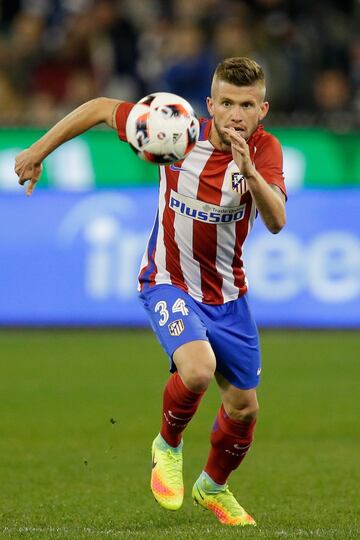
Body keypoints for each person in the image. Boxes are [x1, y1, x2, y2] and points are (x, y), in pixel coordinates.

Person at [15, 57, 286, 527]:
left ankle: (213, 487)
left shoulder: (265, 151)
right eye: (226, 103)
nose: (236, 114)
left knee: (244, 408)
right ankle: (168, 445)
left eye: (246, 105)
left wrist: (251, 173)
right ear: (210, 105)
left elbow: (278, 221)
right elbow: (101, 107)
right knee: (198, 370)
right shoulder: (175, 131)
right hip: (167, 279)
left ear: (263, 109)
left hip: (227, 293)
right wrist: (39, 150)